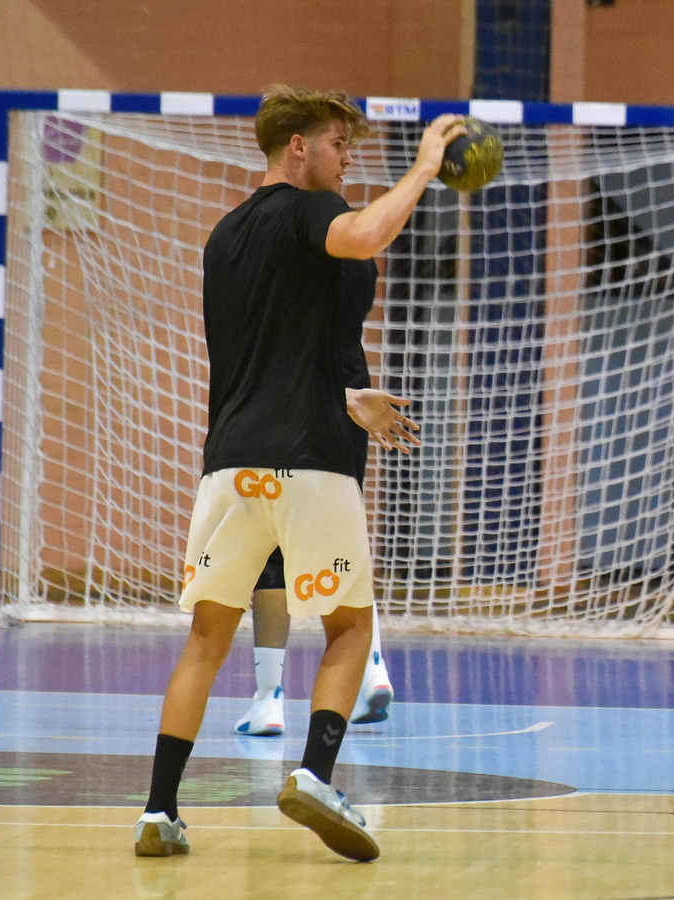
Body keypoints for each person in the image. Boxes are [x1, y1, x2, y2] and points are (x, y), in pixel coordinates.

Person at [133, 84, 462, 862]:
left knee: (206, 637)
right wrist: (423, 170)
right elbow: (368, 233)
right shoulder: (311, 211)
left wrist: (352, 398)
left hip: (230, 467)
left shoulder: (223, 237)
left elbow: (272, 357)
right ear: (297, 149)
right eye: (338, 144)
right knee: (350, 627)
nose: (349, 158)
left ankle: (157, 810)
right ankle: (314, 775)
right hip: (313, 464)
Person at [233, 255, 395, 738]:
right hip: (354, 395)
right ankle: (372, 665)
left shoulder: (280, 242)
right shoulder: (358, 250)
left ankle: (269, 697)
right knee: (340, 537)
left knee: (272, 544)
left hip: (289, 396)